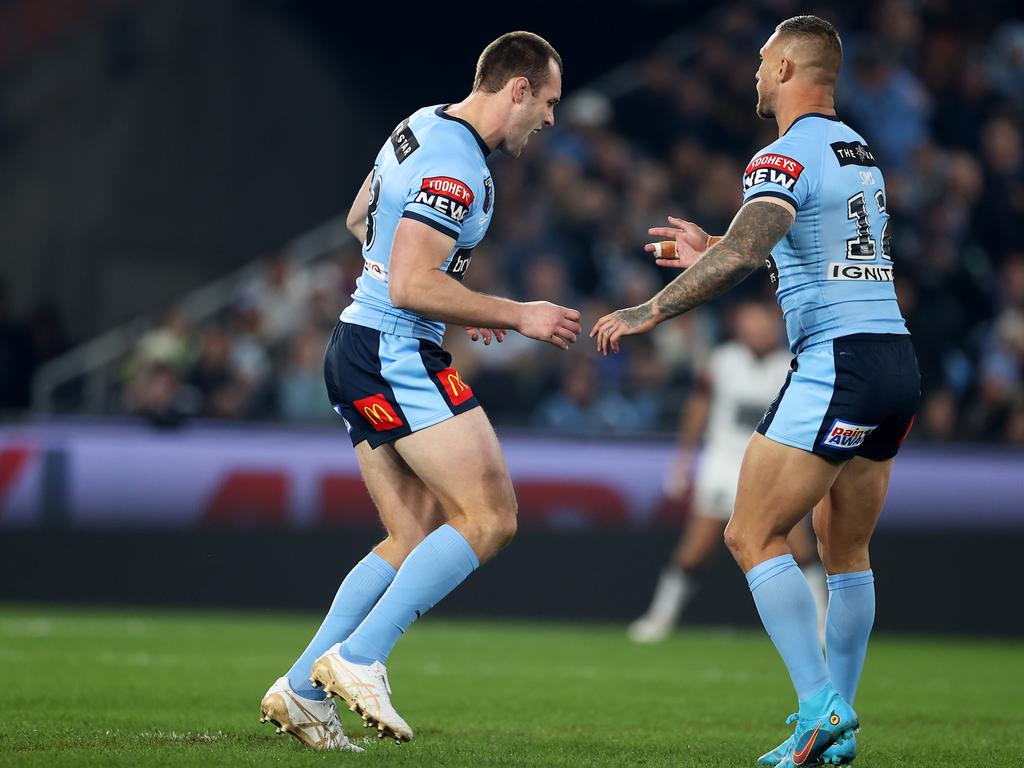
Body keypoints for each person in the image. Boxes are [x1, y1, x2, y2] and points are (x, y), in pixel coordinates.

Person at [592, 16, 919, 767]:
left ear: (783, 67)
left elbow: (751, 249)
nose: (754, 73)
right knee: (846, 551)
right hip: (894, 361)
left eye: (761, 61)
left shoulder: (782, 154)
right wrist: (718, 244)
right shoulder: (856, 150)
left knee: (748, 532)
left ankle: (816, 707)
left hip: (838, 360)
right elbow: (805, 249)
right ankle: (833, 731)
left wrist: (652, 306)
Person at [258, 32, 579, 751]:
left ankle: (305, 687)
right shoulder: (457, 167)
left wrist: (450, 297)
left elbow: (358, 221)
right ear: (518, 89)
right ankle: (361, 658)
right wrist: (514, 311)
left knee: (412, 532)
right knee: (492, 515)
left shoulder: (421, 121)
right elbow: (410, 283)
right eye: (549, 102)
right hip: (395, 350)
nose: (551, 119)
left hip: (356, 343)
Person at [628, 300, 827, 644]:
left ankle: (822, 623)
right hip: (723, 464)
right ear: (739, 328)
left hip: (772, 465)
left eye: (764, 324)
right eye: (751, 324)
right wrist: (683, 461)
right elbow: (698, 409)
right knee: (696, 548)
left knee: (799, 545)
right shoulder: (722, 362)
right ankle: (659, 618)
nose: (759, 331)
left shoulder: (792, 365)